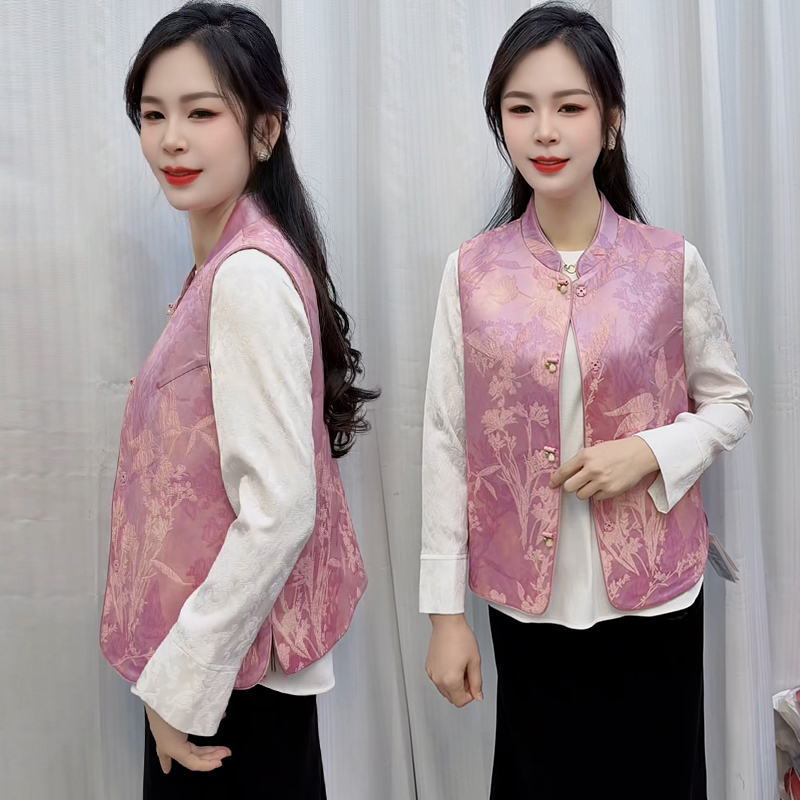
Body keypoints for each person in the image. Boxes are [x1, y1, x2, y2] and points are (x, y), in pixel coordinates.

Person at [419, 4, 753, 798]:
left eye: (569, 107)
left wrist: (650, 452)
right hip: (527, 604)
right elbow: (445, 439)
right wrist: (444, 616)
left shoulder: (669, 263)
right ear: (500, 122)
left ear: (612, 121)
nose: (544, 131)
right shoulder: (472, 273)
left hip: (657, 599)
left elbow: (731, 403)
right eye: (520, 109)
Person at [98, 3, 378, 797]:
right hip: (225, 672)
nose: (171, 139)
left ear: (264, 131)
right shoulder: (232, 261)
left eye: (201, 113)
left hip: (230, 685)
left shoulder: (247, 275)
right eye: (154, 115)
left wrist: (178, 682)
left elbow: (281, 507)